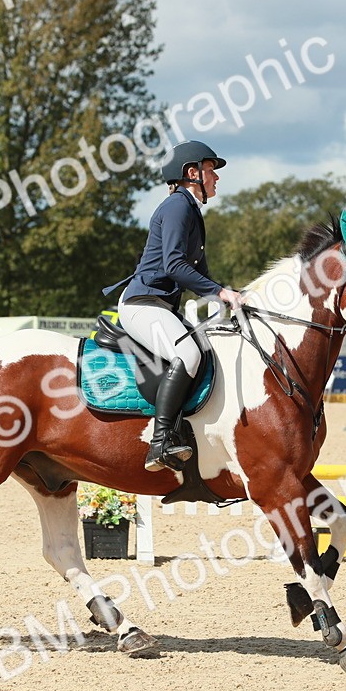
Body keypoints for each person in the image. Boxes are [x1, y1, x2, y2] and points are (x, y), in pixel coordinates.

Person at [103, 140, 243, 472]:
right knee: (189, 355)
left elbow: (201, 275)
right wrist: (221, 293)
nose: (216, 178)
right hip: (142, 303)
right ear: (191, 173)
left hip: (160, 305)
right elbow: (175, 267)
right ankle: (160, 440)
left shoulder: (190, 210)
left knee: (206, 346)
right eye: (211, 171)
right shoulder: (178, 207)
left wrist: (233, 298)